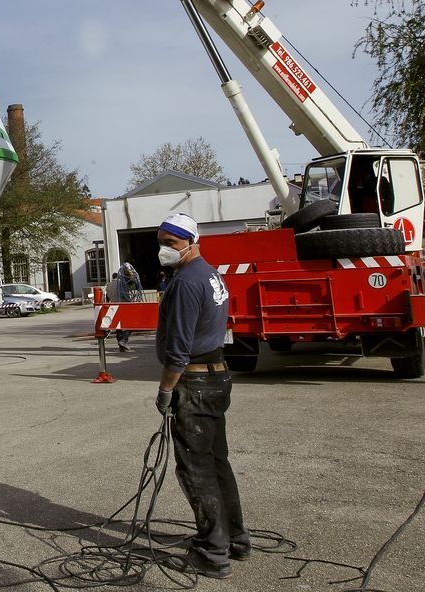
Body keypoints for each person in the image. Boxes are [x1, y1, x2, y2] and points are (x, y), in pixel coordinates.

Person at [153, 212, 248, 579]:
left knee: (196, 468)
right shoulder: (210, 274)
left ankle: (213, 552)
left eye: (171, 243)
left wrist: (165, 390)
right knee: (216, 461)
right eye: (161, 242)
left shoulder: (185, 283)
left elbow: (178, 348)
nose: (164, 249)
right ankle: (235, 538)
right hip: (217, 377)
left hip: (194, 384)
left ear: (190, 243)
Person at [115, 262, 143, 351]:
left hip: (114, 308)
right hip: (125, 307)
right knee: (132, 323)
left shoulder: (109, 286)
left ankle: (121, 344)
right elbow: (133, 284)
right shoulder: (123, 284)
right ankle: (123, 340)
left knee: (118, 327)